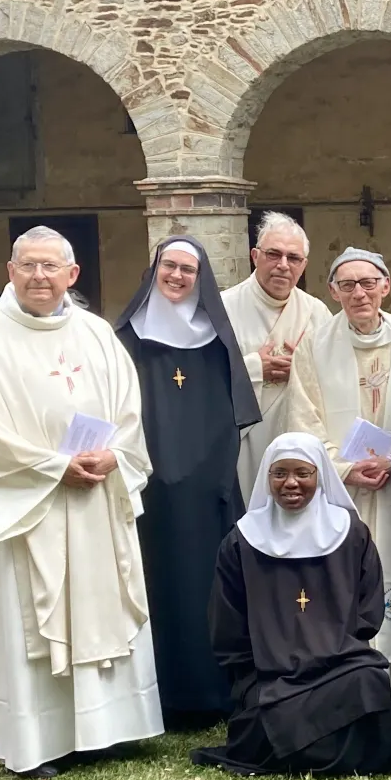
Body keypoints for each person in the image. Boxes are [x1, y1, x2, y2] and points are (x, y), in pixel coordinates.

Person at [0, 226, 161, 778]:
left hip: (95, 498)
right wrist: (53, 466)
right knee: (32, 620)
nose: (39, 276)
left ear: (72, 274)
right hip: (29, 503)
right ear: (10, 271)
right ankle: (38, 743)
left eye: (50, 266)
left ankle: (110, 730)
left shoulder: (95, 333)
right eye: (27, 266)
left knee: (103, 602)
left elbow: (129, 412)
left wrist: (116, 455)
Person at [190, 432, 391, 778]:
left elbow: (368, 606)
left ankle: (294, 754)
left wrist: (331, 649)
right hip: (270, 672)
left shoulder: (350, 533)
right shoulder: (241, 541)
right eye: (279, 473)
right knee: (263, 705)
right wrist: (254, 669)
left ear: (321, 476)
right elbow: (228, 619)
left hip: (339, 664)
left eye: (303, 473)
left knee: (369, 679)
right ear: (267, 477)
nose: (291, 483)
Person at [114, 236, 262, 729]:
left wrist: (216, 475)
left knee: (210, 588)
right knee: (156, 588)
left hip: (205, 492)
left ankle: (215, 692)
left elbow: (228, 417)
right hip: (149, 493)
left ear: (202, 280)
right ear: (154, 269)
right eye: (169, 266)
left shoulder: (214, 340)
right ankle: (156, 696)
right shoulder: (126, 338)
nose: (177, 277)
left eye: (188, 270)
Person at [287, 247, 391, 704]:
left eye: (368, 283)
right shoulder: (315, 344)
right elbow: (303, 419)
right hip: (340, 490)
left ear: (386, 286)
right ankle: (346, 678)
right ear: (332, 291)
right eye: (347, 285)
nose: (359, 293)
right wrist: (345, 469)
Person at [220, 211, 333, 493]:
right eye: (274, 255)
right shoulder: (222, 308)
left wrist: (303, 368)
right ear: (255, 256)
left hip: (300, 436)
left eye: (293, 258)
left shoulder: (316, 312)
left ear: (304, 265)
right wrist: (256, 367)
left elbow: (336, 376)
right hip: (242, 440)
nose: (283, 265)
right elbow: (204, 377)